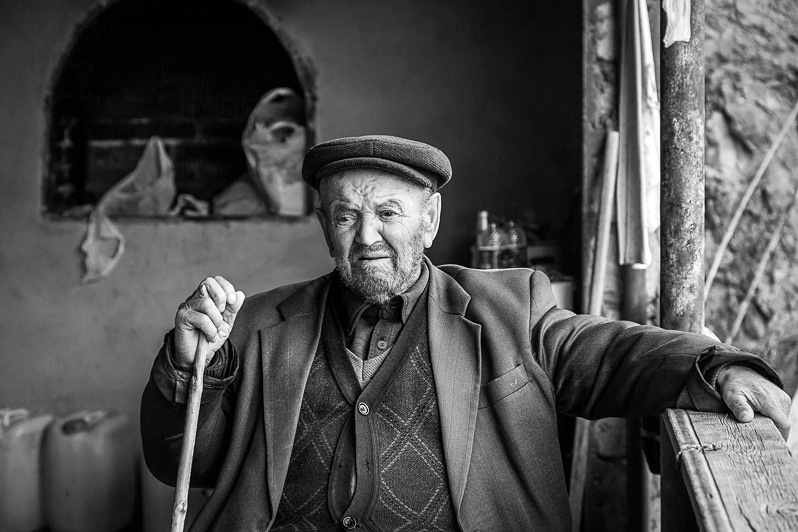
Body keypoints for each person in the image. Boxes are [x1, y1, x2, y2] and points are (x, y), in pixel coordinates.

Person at [141, 135, 790, 531]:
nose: (366, 237)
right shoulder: (255, 324)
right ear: (323, 224)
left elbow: (612, 354)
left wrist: (714, 367)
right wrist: (186, 367)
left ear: (430, 222)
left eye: (388, 213)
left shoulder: (510, 307)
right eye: (346, 215)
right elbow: (181, 463)